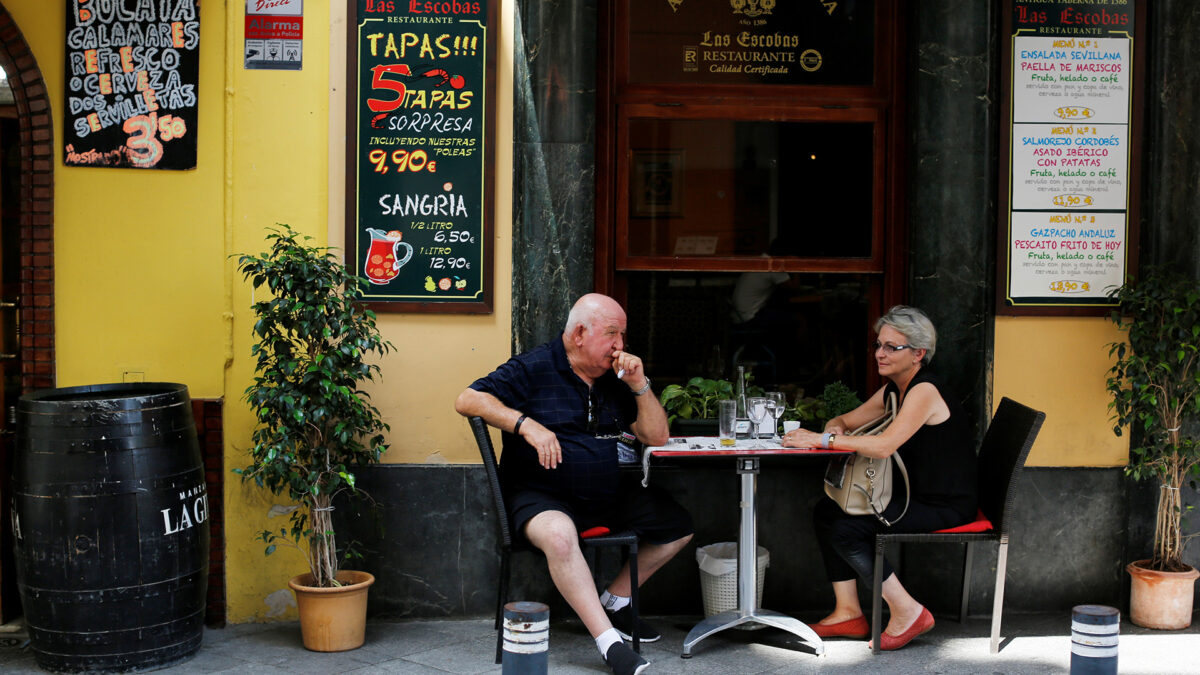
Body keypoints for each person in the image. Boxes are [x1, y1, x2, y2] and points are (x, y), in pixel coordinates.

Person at [455, 293, 693, 675]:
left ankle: (616, 600)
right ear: (579, 333)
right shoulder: (534, 367)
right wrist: (526, 425)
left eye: (623, 336)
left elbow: (657, 435)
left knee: (677, 526)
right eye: (611, 334)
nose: (620, 346)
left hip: (604, 493)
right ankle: (609, 644)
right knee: (561, 536)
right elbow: (468, 399)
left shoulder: (616, 379)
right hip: (540, 494)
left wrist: (640, 383)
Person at [781, 305, 976, 651]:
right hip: (914, 496)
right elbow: (845, 420)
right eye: (878, 345)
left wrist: (822, 439)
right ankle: (848, 613)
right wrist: (834, 428)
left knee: (847, 528)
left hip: (943, 504)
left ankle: (907, 611)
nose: (879, 353)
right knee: (827, 511)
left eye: (891, 347)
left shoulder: (924, 391)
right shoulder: (893, 390)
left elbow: (884, 446)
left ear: (918, 353)